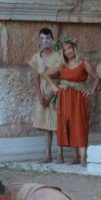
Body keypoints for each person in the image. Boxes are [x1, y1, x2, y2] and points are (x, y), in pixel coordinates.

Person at [45, 36, 100, 167]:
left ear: (74, 47)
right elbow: (46, 74)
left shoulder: (83, 63)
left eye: (69, 48)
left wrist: (91, 91)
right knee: (68, 125)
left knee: (79, 125)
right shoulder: (61, 65)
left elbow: (97, 78)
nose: (67, 52)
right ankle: (75, 158)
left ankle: (83, 158)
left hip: (78, 99)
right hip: (64, 98)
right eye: (64, 50)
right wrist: (53, 87)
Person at [27, 28, 61, 163]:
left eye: (48, 38)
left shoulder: (58, 56)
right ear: (39, 40)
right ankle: (47, 154)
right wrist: (40, 95)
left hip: (55, 90)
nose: (45, 41)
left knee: (57, 123)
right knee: (46, 126)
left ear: (52, 39)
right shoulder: (37, 57)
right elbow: (36, 78)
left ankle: (60, 154)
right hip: (42, 89)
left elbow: (62, 78)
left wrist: (51, 94)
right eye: (42, 38)